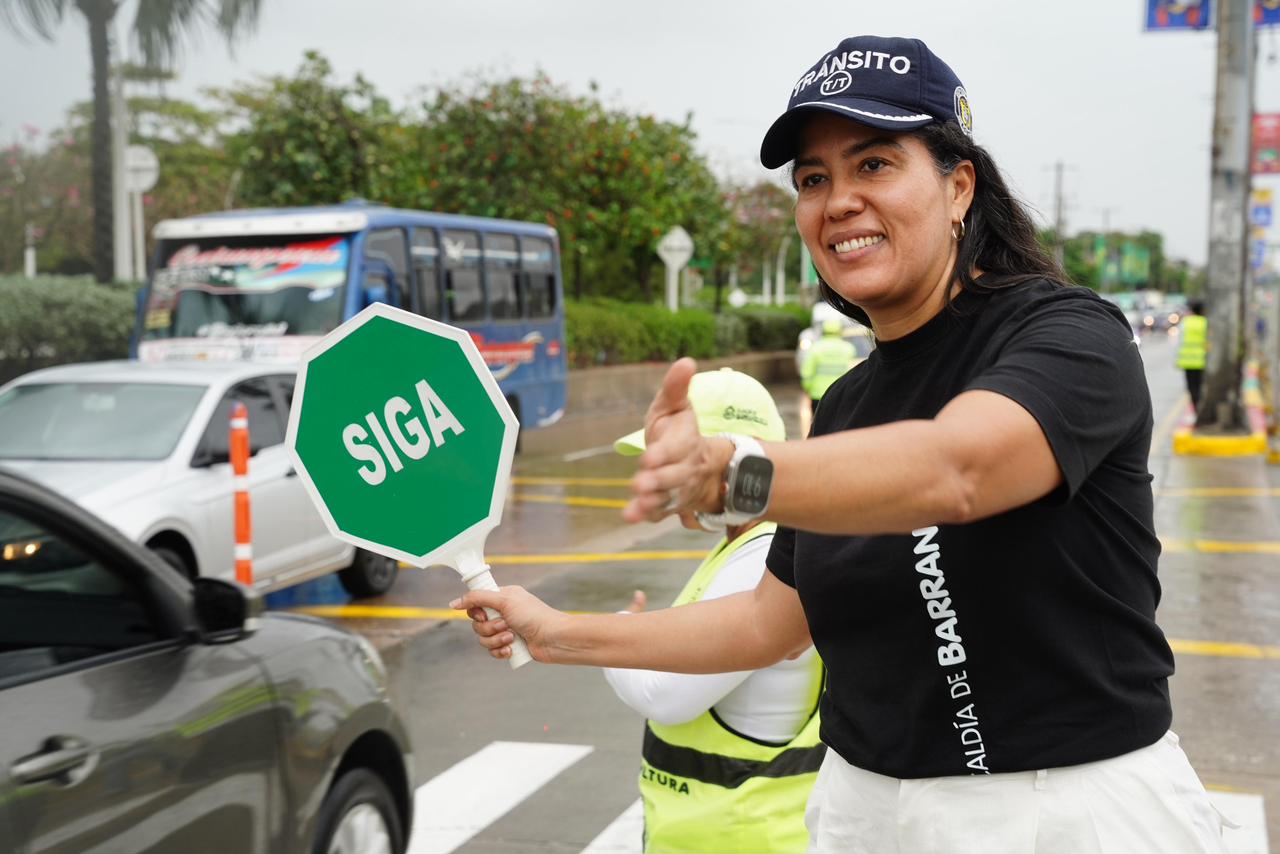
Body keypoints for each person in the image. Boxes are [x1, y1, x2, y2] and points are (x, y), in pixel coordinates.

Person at [456, 35, 1226, 853]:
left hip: (1064, 810)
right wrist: (556, 633)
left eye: (874, 165)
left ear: (958, 185)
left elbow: (957, 469)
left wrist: (735, 471)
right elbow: (766, 624)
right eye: (813, 179)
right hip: (865, 810)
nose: (839, 201)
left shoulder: (1068, 335)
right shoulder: (850, 400)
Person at [603, 367, 823, 854]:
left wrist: (619, 634)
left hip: (745, 837)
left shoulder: (765, 558)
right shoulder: (747, 546)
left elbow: (667, 695)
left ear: (730, 459)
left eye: (683, 462)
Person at [800, 317, 858, 417]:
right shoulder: (848, 348)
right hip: (841, 393)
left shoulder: (816, 347)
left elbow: (807, 371)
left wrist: (807, 387)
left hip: (817, 394)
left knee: (818, 425)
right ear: (840, 330)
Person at [1178, 299, 1208, 410]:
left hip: (1187, 360)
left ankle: (1195, 407)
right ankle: (1199, 405)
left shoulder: (1185, 322)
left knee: (1191, 387)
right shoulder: (1205, 322)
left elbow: (1179, 341)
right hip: (1201, 360)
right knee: (1200, 385)